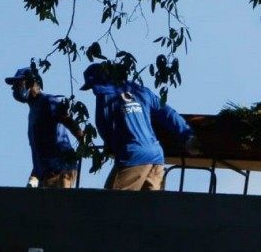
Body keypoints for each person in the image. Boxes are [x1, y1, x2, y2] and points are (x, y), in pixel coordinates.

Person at [81, 62, 197, 191]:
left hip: (132, 156)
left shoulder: (105, 97)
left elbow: (104, 127)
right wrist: (188, 137)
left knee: (112, 205)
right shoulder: (142, 92)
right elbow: (169, 115)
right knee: (148, 208)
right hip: (156, 156)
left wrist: (110, 148)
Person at [5, 64, 82, 188]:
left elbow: (67, 120)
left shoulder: (48, 102)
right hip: (45, 173)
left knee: (58, 205)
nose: (14, 89)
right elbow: (41, 148)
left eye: (18, 84)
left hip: (60, 169)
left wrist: (83, 140)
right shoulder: (34, 110)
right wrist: (35, 175)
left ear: (31, 83)